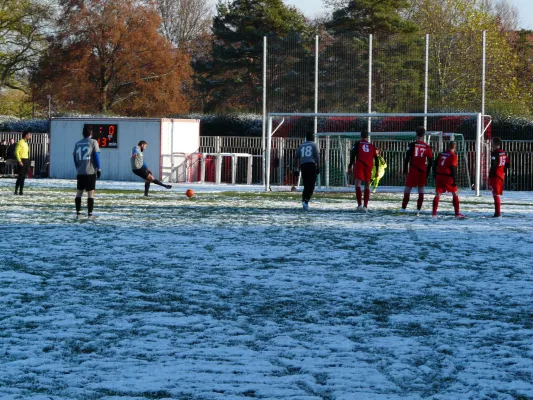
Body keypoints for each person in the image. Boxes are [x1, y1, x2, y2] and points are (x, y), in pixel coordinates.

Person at [400, 126, 433, 215]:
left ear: (416, 134)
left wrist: (405, 170)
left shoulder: (412, 144)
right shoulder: (427, 146)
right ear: (423, 135)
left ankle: (403, 208)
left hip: (413, 169)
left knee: (407, 189)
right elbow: (431, 161)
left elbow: (407, 158)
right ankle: (418, 210)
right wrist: (427, 173)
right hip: (423, 170)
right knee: (421, 190)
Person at [347, 129, 379, 212]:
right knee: (367, 185)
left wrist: (350, 166)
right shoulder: (371, 146)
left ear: (360, 136)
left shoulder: (358, 144)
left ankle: (359, 205)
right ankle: (365, 206)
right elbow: (376, 158)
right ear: (367, 137)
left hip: (360, 164)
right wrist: (377, 170)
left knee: (357, 183)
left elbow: (353, 155)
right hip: (368, 166)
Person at [432, 141, 465, 218]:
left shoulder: (441, 154)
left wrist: (435, 175)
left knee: (438, 194)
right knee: (455, 193)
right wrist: (455, 179)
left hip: (439, 175)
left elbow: (434, 164)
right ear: (455, 147)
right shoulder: (453, 156)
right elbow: (452, 168)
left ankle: (434, 214)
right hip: (448, 176)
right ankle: (457, 213)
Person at [73, 125, 101, 218]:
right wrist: (99, 168)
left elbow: (74, 157)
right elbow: (96, 156)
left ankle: (78, 212)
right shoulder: (93, 142)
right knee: (91, 192)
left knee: (79, 192)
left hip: (80, 171)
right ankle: (90, 214)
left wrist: (78, 167)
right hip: (90, 171)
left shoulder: (77, 143)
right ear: (91, 133)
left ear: (83, 134)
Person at [294, 131, 320, 211]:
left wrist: (296, 168)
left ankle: (304, 201)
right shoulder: (314, 145)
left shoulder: (301, 145)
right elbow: (317, 156)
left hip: (303, 166)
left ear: (306, 138)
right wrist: (318, 166)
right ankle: (306, 200)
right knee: (311, 185)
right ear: (312, 138)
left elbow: (296, 157)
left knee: (306, 184)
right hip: (311, 165)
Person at [489, 137, 510, 218]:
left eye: (492, 142)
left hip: (496, 175)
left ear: (494, 143)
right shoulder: (503, 152)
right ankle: (497, 212)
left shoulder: (495, 153)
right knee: (496, 193)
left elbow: (494, 164)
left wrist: (491, 174)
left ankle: (497, 213)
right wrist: (503, 170)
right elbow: (508, 163)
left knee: (495, 193)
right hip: (500, 175)